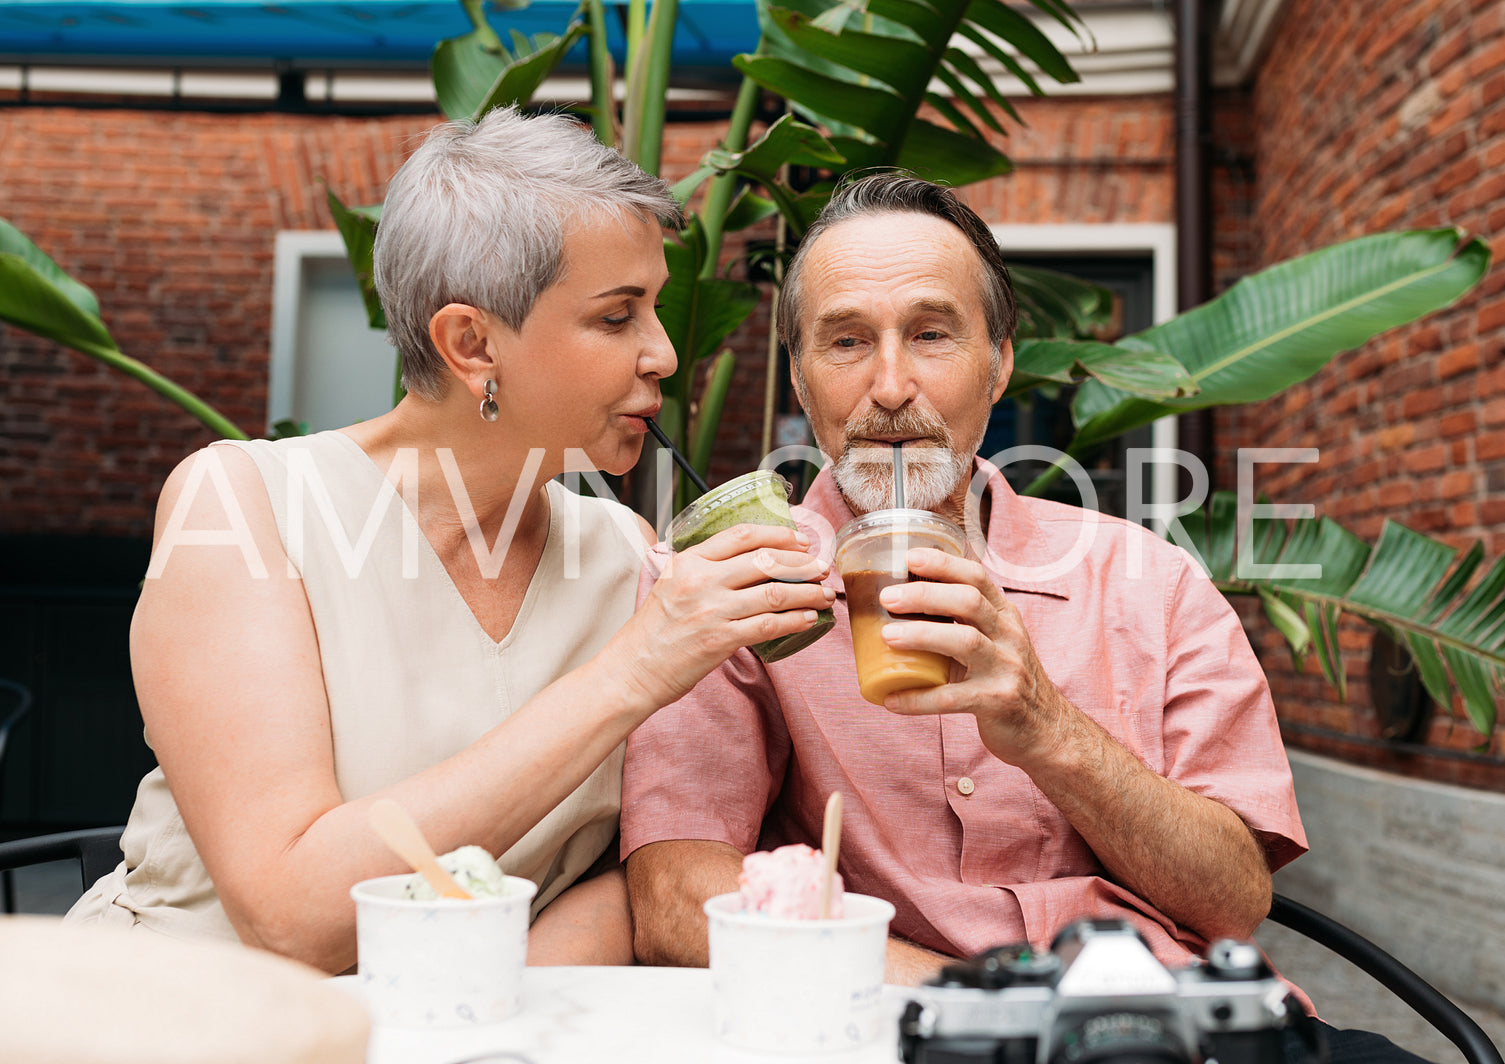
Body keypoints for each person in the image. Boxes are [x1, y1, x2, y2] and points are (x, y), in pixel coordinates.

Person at [621, 172, 1435, 1064]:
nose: (889, 387)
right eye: (846, 341)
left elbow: (1230, 900)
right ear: (801, 380)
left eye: (931, 335)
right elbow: (672, 901)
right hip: (890, 1028)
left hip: (1182, 1029)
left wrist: (1045, 725)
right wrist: (996, 1010)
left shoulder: (1148, 581)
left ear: (999, 362)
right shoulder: (732, 590)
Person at [65, 106, 833, 975]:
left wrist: (494, 1010)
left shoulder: (621, 552)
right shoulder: (244, 505)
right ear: (472, 344)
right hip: (181, 1016)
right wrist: (638, 670)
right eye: (617, 318)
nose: (662, 353)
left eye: (654, 310)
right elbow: (293, 916)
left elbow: (625, 876)